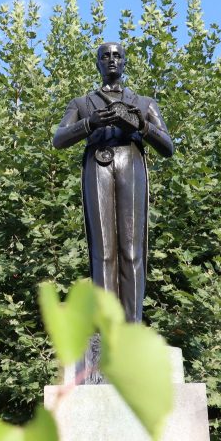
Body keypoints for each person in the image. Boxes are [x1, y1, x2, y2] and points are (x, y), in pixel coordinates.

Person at [52, 42, 173, 323]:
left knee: (131, 251)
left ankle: (131, 325)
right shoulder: (82, 103)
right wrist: (89, 124)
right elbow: (59, 139)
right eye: (105, 56)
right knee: (104, 250)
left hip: (131, 166)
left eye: (117, 56)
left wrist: (142, 126)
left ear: (125, 62)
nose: (111, 60)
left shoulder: (144, 103)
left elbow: (167, 147)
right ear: (97, 63)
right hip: (98, 166)